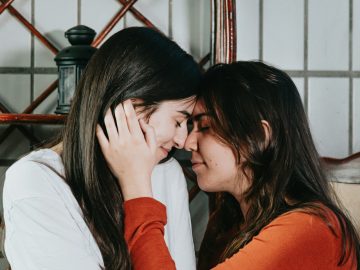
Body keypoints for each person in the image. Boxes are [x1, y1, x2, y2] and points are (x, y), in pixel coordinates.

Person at [97, 61, 360, 269]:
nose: (187, 143)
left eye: (205, 126)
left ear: (258, 135)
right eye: (188, 125)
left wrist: (136, 187)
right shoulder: (230, 222)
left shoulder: (309, 230)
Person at [3, 27, 201, 270]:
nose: (183, 141)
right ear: (131, 108)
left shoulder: (166, 173)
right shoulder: (35, 180)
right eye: (179, 121)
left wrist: (137, 186)